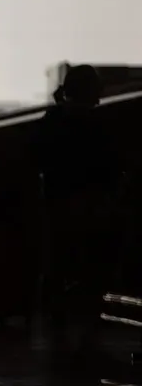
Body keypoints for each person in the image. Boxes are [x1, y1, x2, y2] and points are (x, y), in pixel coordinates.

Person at [35, 64, 122, 321]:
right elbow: (110, 165)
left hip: (58, 199)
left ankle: (56, 313)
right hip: (90, 201)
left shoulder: (52, 121)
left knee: (58, 259)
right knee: (94, 258)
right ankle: (88, 308)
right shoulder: (99, 124)